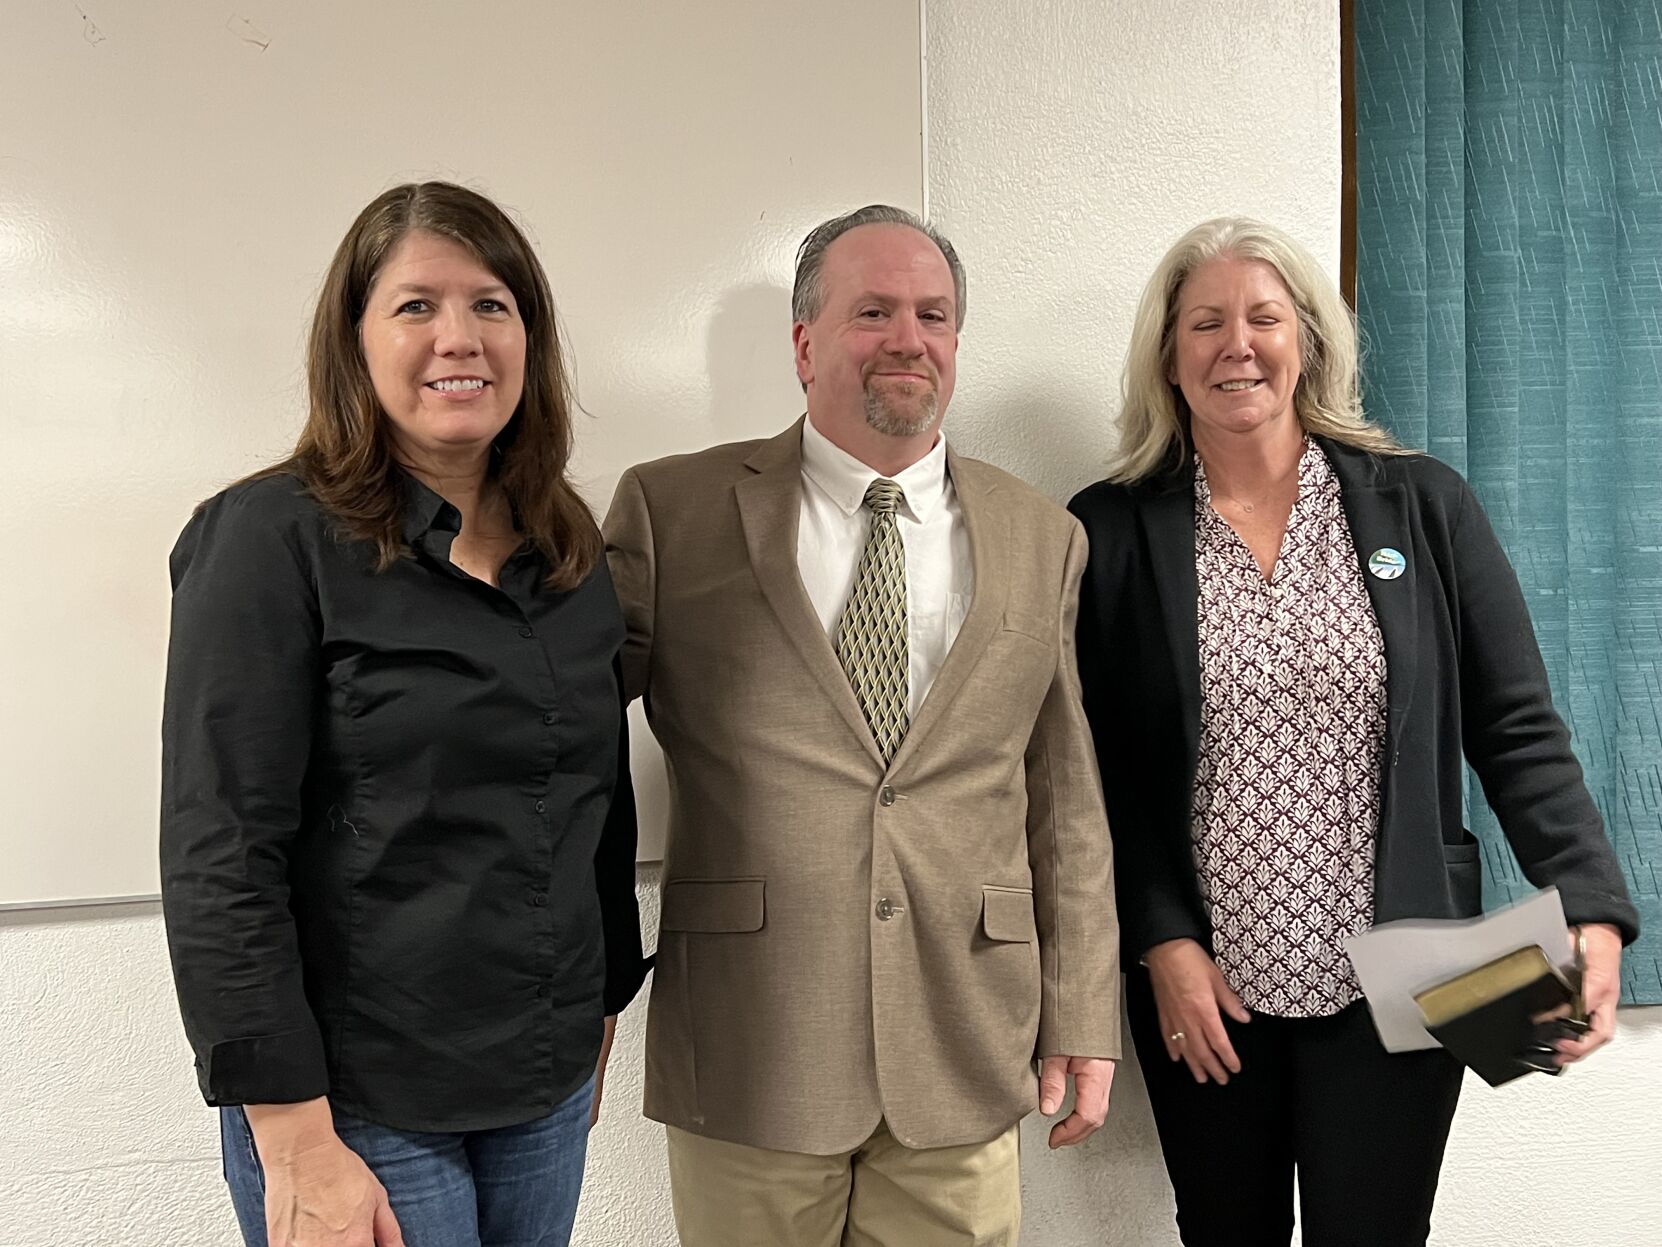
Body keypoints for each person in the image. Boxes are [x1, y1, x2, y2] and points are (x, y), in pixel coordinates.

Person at [1067, 217, 1640, 1247]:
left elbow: (1516, 729)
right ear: (1167, 354)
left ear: (1310, 343)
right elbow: (1095, 773)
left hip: (1404, 975)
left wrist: (1591, 905)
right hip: (1208, 990)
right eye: (1205, 322)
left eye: (1264, 318)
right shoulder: (1109, 531)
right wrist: (1162, 939)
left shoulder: (1422, 504)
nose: (1236, 344)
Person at [603, 205, 1120, 1246]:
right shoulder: (673, 510)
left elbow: (1065, 793)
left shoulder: (1042, 534)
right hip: (752, 1037)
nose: (907, 338)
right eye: (872, 310)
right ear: (804, 342)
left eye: (933, 314)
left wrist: (1081, 1007)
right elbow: (552, 754)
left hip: (965, 1036)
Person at [161, 181, 649, 1247]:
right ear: (355, 340)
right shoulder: (265, 540)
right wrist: (292, 1137)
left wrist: (603, 1001)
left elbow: (594, 799)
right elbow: (221, 852)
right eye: (416, 305)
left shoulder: (567, 546)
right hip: (356, 1098)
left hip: (542, 1079)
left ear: (530, 336)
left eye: (491, 304)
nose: (457, 337)